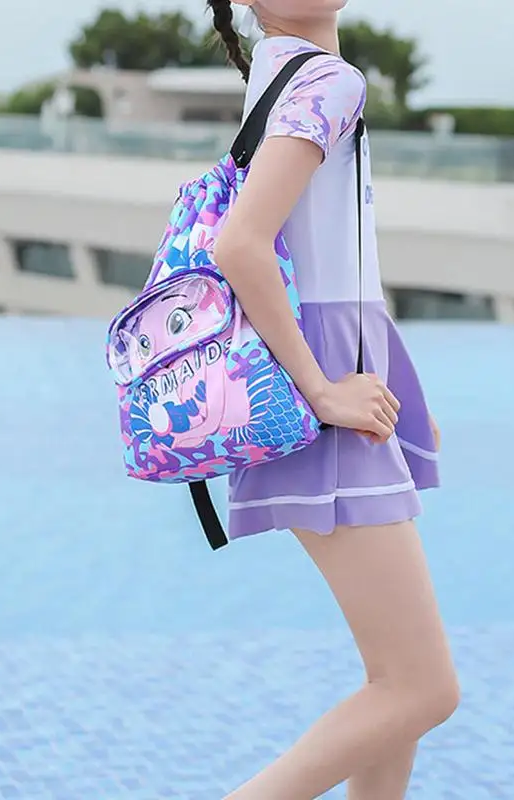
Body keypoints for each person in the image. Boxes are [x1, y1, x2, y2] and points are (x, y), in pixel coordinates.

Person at [206, 1, 460, 797]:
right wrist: (322, 390)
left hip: (331, 382)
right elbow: (241, 244)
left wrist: (394, 389)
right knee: (422, 689)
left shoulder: (279, 72)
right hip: (320, 392)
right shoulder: (327, 80)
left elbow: (330, 263)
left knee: (396, 686)